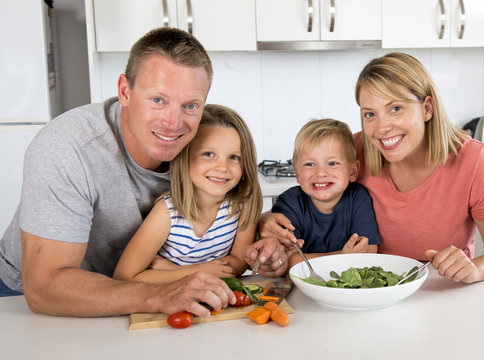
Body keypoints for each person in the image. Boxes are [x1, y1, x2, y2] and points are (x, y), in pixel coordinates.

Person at [0, 27, 285, 317]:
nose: (173, 123)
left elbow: (219, 206)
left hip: (133, 294)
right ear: (125, 91)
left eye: (190, 105)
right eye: (158, 100)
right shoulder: (67, 149)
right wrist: (164, 291)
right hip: (30, 301)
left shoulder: (198, 145)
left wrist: (261, 223)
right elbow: (45, 287)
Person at [260, 52, 484, 284]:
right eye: (369, 114)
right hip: (365, 289)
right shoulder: (354, 152)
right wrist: (266, 221)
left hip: (440, 292)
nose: (381, 128)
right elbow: (305, 201)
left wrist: (475, 269)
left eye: (395, 108)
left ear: (427, 108)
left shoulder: (474, 162)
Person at [113, 104, 262, 283]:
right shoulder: (167, 213)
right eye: (208, 154)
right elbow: (124, 277)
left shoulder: (242, 205)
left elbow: (239, 262)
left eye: (234, 157)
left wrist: (178, 270)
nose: (222, 167)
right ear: (185, 157)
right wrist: (198, 272)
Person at [271, 119, 379, 269]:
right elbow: (287, 262)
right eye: (310, 164)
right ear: (297, 172)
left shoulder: (358, 198)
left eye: (332, 163)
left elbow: (370, 251)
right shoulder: (289, 203)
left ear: (353, 171)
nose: (321, 173)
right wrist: (342, 258)